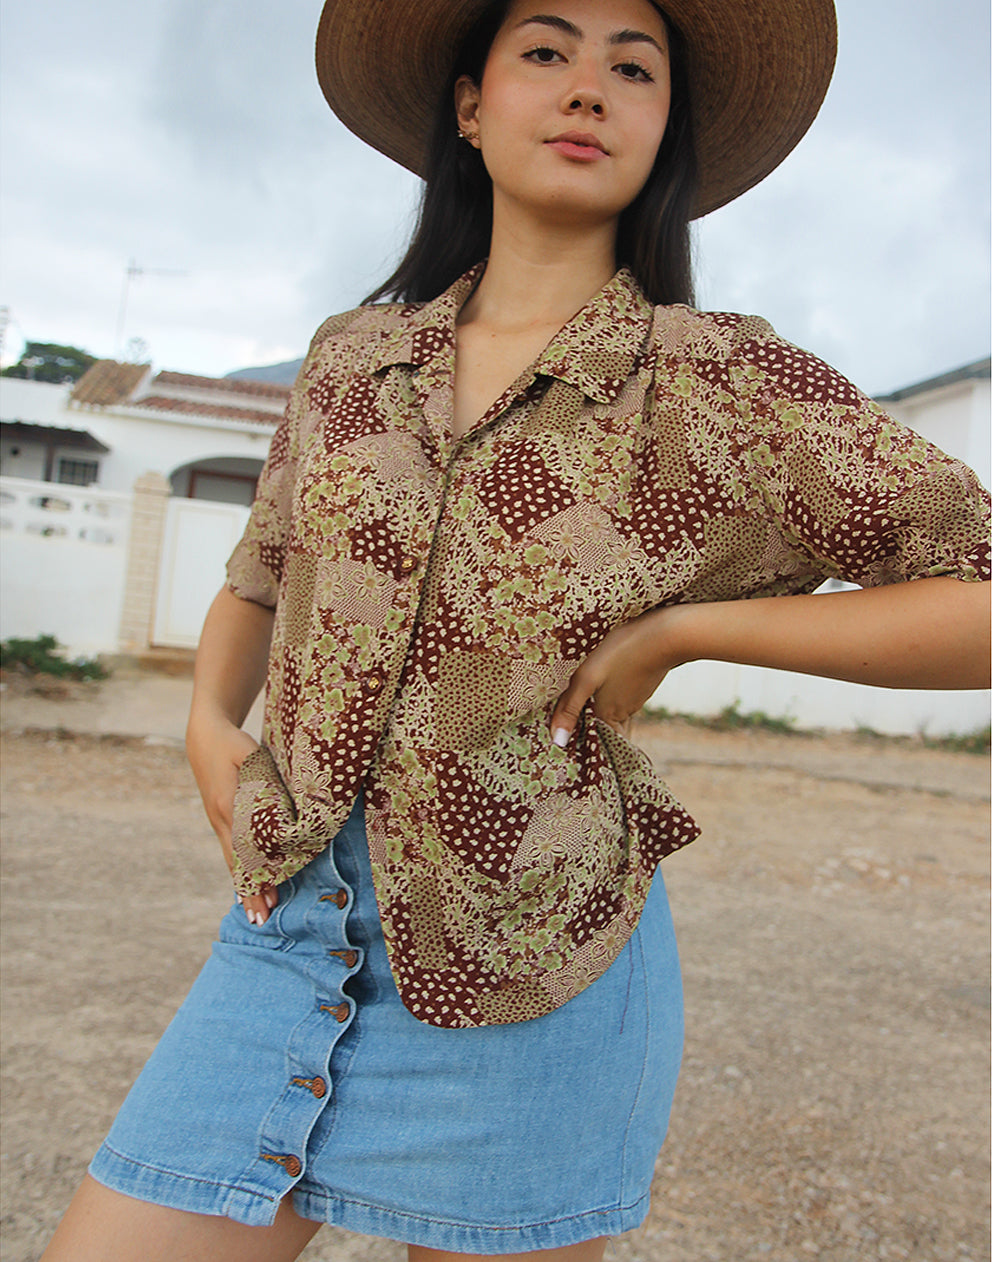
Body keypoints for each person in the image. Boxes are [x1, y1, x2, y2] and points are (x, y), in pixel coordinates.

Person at [43, 0, 990, 1259]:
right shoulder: (347, 364)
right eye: (545, 51)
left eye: (631, 67)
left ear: (664, 131)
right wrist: (205, 722)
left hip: (539, 961)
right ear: (471, 106)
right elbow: (262, 572)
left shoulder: (718, 386)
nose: (588, 87)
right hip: (285, 933)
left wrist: (687, 631)